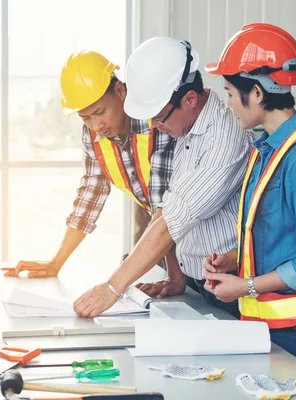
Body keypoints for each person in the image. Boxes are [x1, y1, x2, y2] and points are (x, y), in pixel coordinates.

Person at [73, 37, 253, 319]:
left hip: (235, 291)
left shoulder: (222, 139)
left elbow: (170, 223)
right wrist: (177, 276)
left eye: (157, 118)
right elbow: (166, 209)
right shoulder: (187, 128)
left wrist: (111, 288)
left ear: (190, 99)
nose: (154, 126)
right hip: (204, 285)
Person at [202, 23, 296, 375]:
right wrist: (231, 261)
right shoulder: (265, 151)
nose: (229, 103)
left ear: (259, 94)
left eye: (232, 93)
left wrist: (246, 286)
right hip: (270, 327)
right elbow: (274, 236)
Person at [4, 50, 178, 282]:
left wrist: (116, 285)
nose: (96, 125)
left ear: (120, 91)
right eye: (85, 118)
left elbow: (164, 207)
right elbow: (91, 194)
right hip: (159, 227)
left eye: (99, 112)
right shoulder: (92, 134)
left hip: (194, 230)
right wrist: (56, 262)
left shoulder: (156, 120)